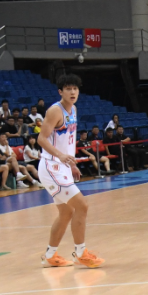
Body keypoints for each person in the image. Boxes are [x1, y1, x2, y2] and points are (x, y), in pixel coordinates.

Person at [37, 74, 104, 269]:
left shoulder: (73, 109)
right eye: (68, 89)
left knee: (66, 212)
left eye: (75, 88)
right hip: (51, 166)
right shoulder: (54, 111)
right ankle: (81, 253)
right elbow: (41, 139)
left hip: (62, 166)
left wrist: (71, 163)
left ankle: (50, 255)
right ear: (60, 92)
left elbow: (68, 139)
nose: (73, 92)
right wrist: (60, 156)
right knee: (82, 205)